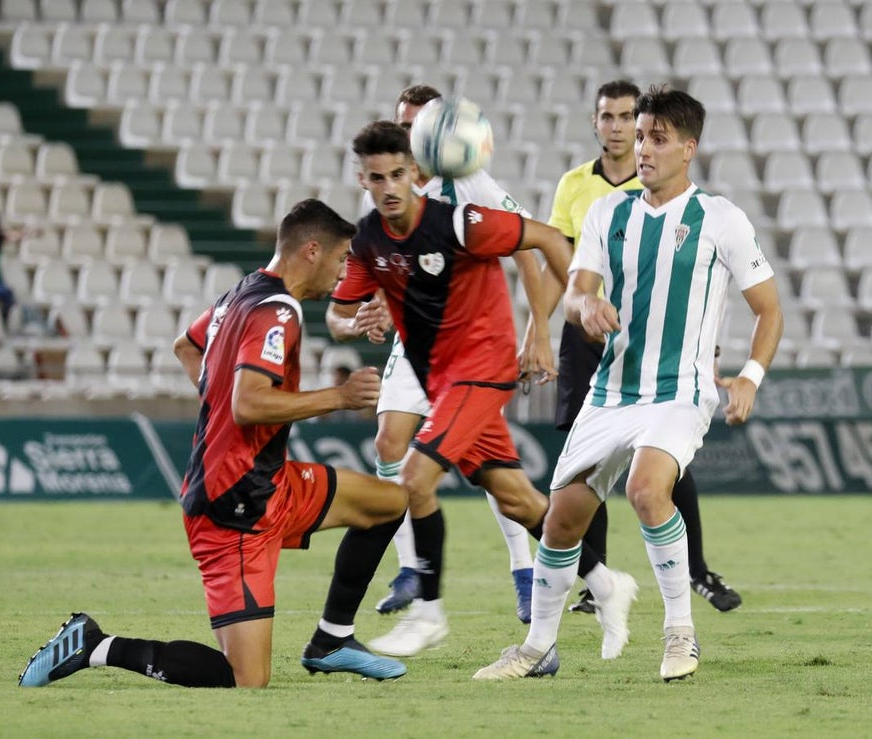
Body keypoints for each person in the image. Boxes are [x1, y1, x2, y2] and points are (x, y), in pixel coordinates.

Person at [18, 199, 411, 689]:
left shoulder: (240, 294)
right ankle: (95, 645)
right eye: (341, 258)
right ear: (312, 251)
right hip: (233, 509)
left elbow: (187, 346)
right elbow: (248, 405)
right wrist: (339, 395)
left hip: (271, 484)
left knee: (390, 502)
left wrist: (221, 407)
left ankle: (332, 639)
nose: (343, 271)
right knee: (247, 679)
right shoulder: (278, 312)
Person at [477, 86, 783, 682]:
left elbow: (769, 309)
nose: (643, 148)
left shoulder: (719, 219)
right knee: (562, 518)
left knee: (647, 490)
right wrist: (584, 306)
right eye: (641, 135)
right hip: (612, 389)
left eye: (657, 138)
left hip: (681, 390)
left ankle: (680, 634)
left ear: (688, 148)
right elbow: (575, 291)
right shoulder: (606, 213)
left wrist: (749, 376)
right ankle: (537, 648)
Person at [328, 121, 637, 661]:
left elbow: (542, 236)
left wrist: (579, 304)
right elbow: (336, 315)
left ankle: (428, 613)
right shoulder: (369, 240)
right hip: (441, 379)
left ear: (416, 172)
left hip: (483, 367)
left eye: (399, 174)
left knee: (414, 479)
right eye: (378, 178)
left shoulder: (461, 222)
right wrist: (357, 321)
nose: (390, 186)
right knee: (519, 501)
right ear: (364, 180)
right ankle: (608, 584)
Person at [526, 79, 744, 615]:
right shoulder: (579, 189)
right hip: (592, 343)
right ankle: (594, 579)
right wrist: (544, 323)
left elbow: (699, 282)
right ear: (597, 123)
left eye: (632, 120)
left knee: (662, 467)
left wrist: (711, 347)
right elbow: (564, 264)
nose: (624, 130)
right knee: (586, 466)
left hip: (664, 349)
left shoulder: (695, 206)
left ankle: (694, 571)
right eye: (611, 118)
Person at [352, 85, 545, 624]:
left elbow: (529, 247)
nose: (409, 139)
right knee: (390, 438)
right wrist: (374, 308)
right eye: (403, 126)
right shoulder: (382, 192)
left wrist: (538, 330)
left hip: (468, 349)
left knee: (484, 465)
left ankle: (524, 570)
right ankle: (412, 566)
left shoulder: (469, 183)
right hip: (417, 346)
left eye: (417, 128)